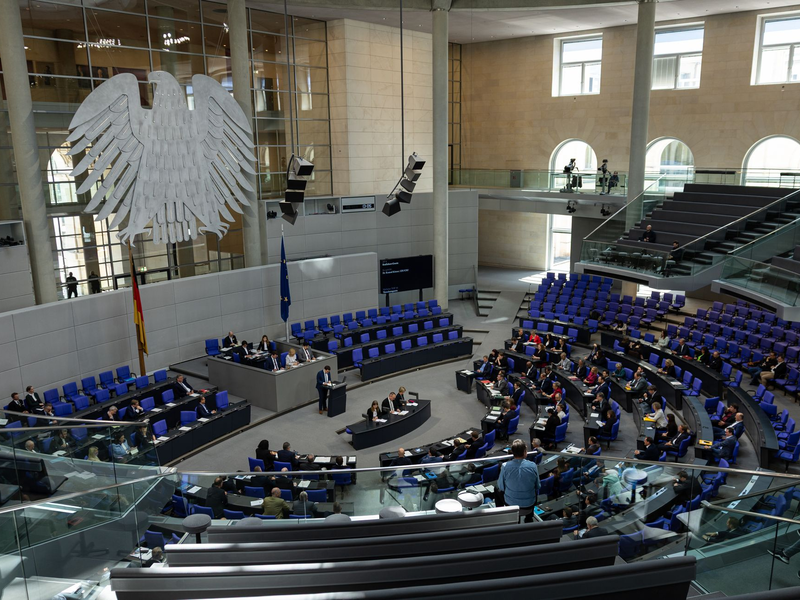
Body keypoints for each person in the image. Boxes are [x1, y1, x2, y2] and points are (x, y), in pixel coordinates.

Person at [497, 439, 540, 522]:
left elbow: (501, 487)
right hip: (529, 505)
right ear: (525, 452)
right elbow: (538, 485)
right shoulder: (533, 466)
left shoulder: (505, 466)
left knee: (496, 488)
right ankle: (529, 518)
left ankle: (500, 513)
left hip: (511, 504)